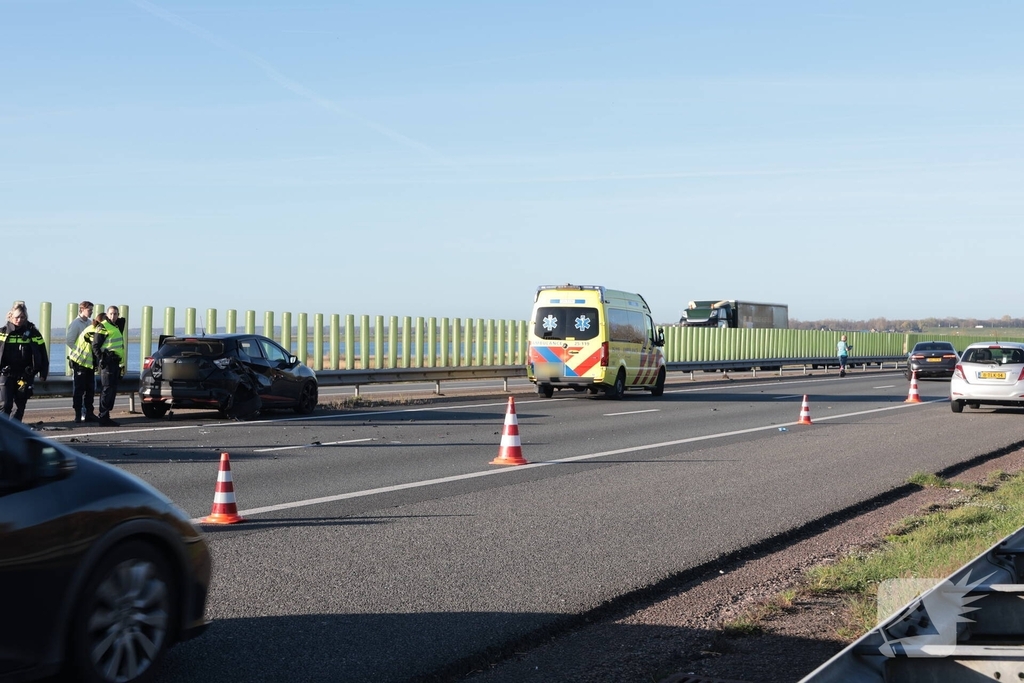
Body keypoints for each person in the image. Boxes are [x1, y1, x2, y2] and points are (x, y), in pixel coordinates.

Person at [0, 303, 49, 422]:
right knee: (5, 404)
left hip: (25, 375)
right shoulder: (2, 332)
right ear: (10, 316)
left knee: (19, 406)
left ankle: (15, 432)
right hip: (6, 374)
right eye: (17, 317)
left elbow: (42, 353)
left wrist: (43, 372)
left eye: (22, 317)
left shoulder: (33, 333)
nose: (19, 320)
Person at [91, 311, 126, 427]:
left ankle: (106, 416)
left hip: (115, 363)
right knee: (107, 389)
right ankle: (103, 416)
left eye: (115, 314)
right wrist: (102, 358)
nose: (113, 316)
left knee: (112, 390)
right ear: (107, 314)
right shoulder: (103, 326)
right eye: (111, 313)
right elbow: (95, 345)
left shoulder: (115, 327)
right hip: (108, 363)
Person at [68, 301, 97, 422]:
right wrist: (80, 353)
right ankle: (78, 414)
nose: (91, 312)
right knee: (79, 389)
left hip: (89, 362)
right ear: (82, 310)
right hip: (79, 362)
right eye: (89, 309)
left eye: (91, 310)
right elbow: (69, 341)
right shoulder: (76, 324)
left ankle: (89, 413)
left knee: (90, 389)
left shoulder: (90, 323)